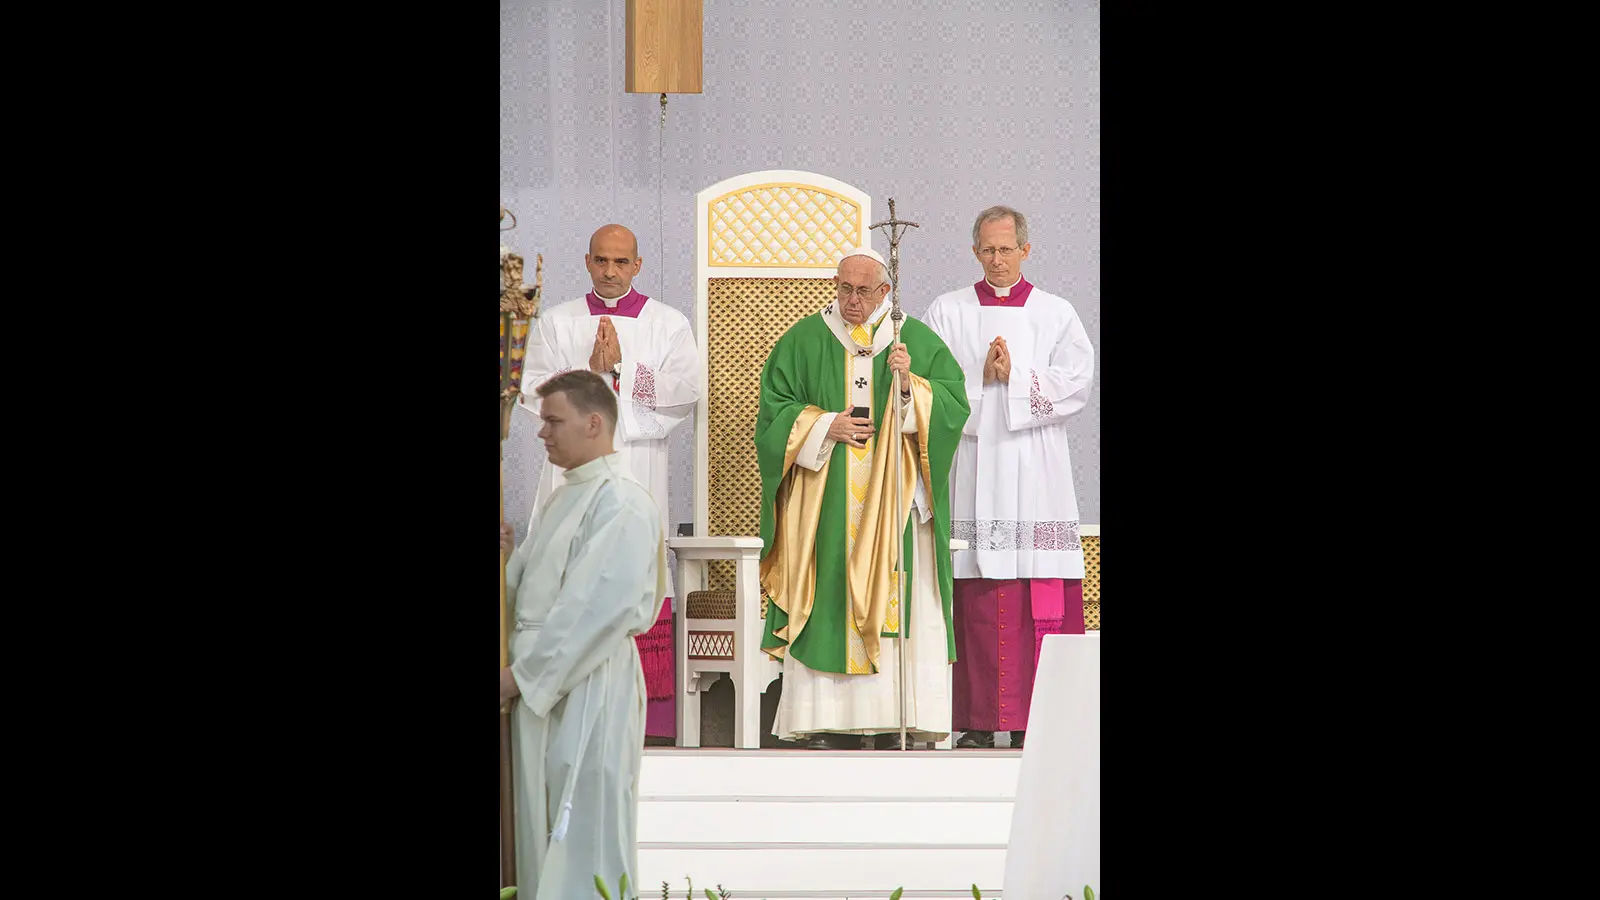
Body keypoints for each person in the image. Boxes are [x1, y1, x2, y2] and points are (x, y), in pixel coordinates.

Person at [755, 246, 970, 751]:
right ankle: (824, 720)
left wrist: (908, 385)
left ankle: (898, 716)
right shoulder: (804, 339)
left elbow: (952, 406)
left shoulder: (911, 339)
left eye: (863, 290)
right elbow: (773, 412)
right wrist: (824, 423)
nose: (852, 300)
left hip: (894, 506)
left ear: (885, 292)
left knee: (901, 598)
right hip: (825, 502)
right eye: (844, 288)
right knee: (827, 590)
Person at [517, 224, 699, 744]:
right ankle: (560, 701)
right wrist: (589, 371)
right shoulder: (558, 320)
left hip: (636, 460)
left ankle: (646, 717)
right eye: (602, 261)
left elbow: (686, 391)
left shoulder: (667, 322)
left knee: (628, 566)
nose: (611, 271)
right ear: (587, 262)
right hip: (571, 469)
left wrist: (623, 368)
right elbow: (533, 389)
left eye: (621, 262)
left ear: (638, 265)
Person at [923, 206, 1095, 750]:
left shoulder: (1055, 312)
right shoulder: (946, 311)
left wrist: (1015, 375)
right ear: (975, 252)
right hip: (973, 465)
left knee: (1032, 585)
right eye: (988, 250)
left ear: (1026, 249)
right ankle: (973, 719)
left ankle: (1034, 722)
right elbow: (926, 386)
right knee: (974, 587)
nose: (997, 259)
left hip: (1036, 468)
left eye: (1006, 249)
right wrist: (979, 375)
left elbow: (1077, 383)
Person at [499, 369, 666, 898]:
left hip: (589, 683)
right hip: (544, 683)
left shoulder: (622, 501)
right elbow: (530, 594)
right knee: (539, 826)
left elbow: (595, 609)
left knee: (583, 825)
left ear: (594, 423)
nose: (542, 433)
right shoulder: (562, 498)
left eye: (553, 421)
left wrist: (521, 676)